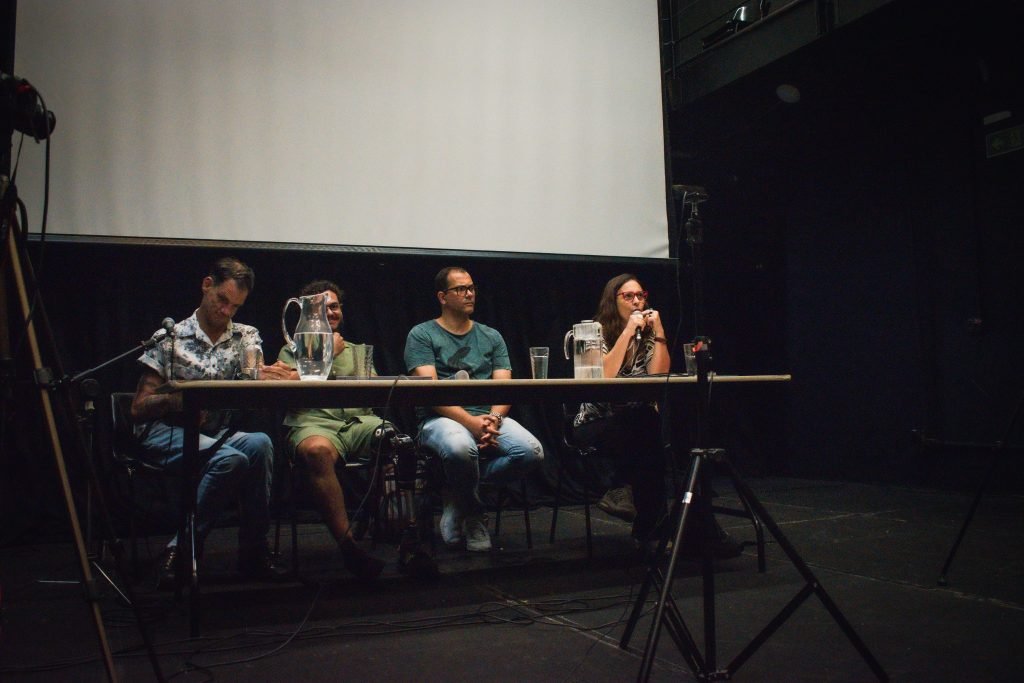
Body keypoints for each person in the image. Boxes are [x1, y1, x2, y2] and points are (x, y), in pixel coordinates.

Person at [131, 256, 290, 586]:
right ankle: (181, 550)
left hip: (215, 433)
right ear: (207, 286)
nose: (226, 311)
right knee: (231, 459)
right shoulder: (170, 337)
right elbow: (139, 407)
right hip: (166, 431)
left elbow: (254, 376)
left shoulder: (245, 336)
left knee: (260, 444)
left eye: (236, 306)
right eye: (222, 300)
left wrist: (265, 377)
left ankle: (253, 552)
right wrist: (178, 401)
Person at [276, 279, 410, 580]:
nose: (330, 312)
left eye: (334, 306)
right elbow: (285, 388)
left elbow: (374, 393)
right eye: (322, 308)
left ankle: (406, 540)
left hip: (358, 423)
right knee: (317, 451)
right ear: (308, 313)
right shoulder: (291, 350)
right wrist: (326, 352)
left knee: (398, 442)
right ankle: (349, 547)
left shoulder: (358, 351)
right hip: (313, 424)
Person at [404, 267, 544, 552]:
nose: (469, 294)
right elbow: (431, 394)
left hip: (488, 417)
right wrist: (471, 422)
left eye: (471, 288)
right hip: (440, 418)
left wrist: (494, 418)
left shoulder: (491, 336)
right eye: (460, 289)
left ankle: (458, 492)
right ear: (442, 297)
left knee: (531, 453)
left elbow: (504, 388)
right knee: (460, 448)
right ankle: (474, 514)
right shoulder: (422, 334)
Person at [572, 274, 669, 543]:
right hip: (595, 422)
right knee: (647, 433)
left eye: (641, 295)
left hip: (638, 424)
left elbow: (659, 378)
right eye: (628, 296)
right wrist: (627, 333)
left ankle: (623, 492)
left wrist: (660, 333)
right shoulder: (593, 332)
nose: (637, 301)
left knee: (647, 430)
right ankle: (652, 529)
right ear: (613, 301)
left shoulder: (648, 336)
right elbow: (603, 378)